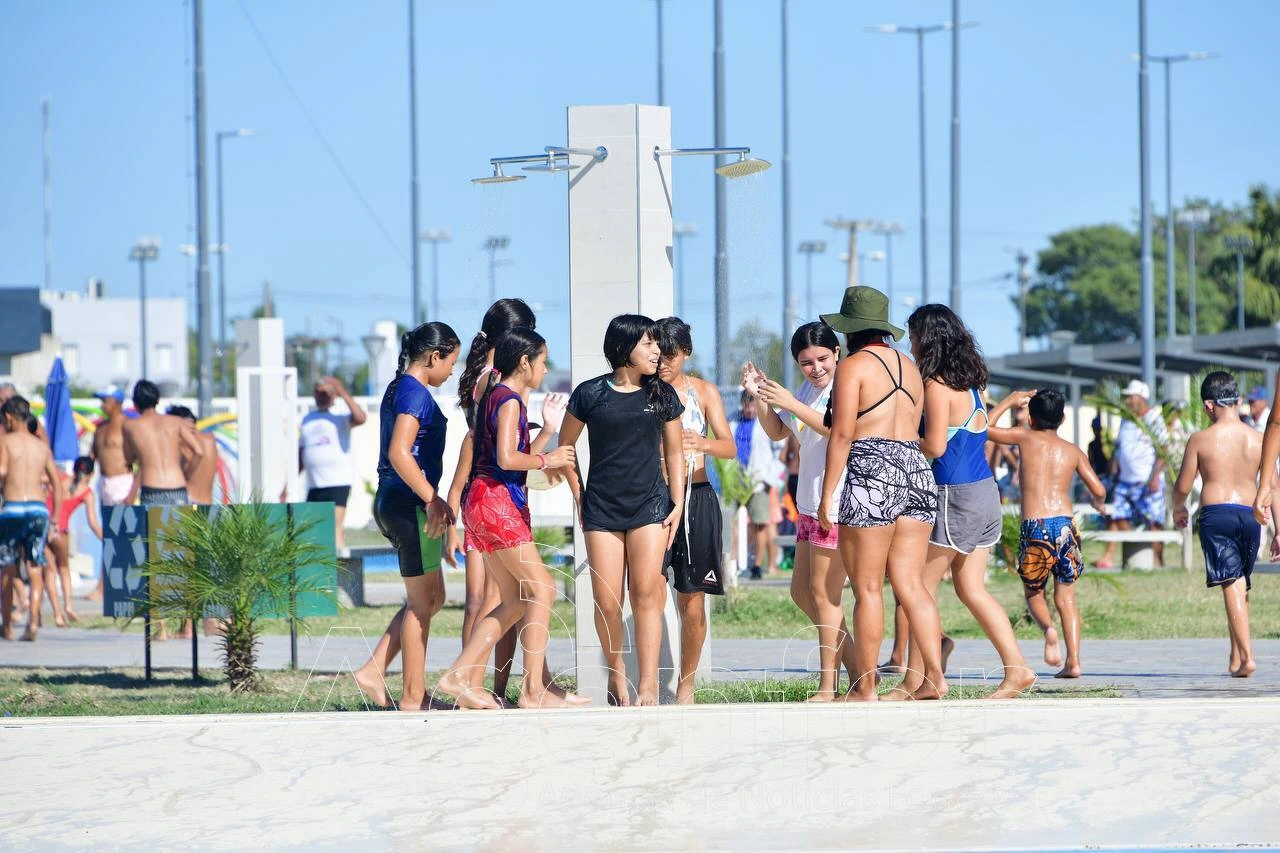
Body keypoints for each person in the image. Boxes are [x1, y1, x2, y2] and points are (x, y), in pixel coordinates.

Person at [435, 328, 585, 708]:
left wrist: (548, 431)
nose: (546, 369)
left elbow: (502, 458)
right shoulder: (510, 401)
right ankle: (533, 690)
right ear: (524, 362)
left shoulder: (494, 396)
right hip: (498, 503)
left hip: (483, 503)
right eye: (543, 360)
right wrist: (547, 459)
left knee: (517, 599)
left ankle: (461, 676)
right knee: (543, 589)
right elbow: (506, 458)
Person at [817, 286, 944, 701]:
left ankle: (865, 687)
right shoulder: (910, 366)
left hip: (872, 467)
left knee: (868, 588)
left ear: (849, 329)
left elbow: (841, 434)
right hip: (916, 470)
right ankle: (934, 678)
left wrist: (827, 495)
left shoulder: (853, 366)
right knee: (911, 583)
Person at [907, 305, 1036, 699]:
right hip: (984, 492)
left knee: (916, 589)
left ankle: (923, 679)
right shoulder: (973, 385)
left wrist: (899, 438)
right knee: (970, 588)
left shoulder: (936, 387)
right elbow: (980, 428)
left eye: (913, 337)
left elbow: (936, 445)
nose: (909, 345)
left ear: (926, 340)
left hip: (953, 494)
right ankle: (1017, 669)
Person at [561, 314, 685, 706]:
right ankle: (617, 678)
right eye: (648, 344)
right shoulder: (589, 394)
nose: (656, 352)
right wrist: (579, 495)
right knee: (607, 601)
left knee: (647, 593)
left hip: (650, 505)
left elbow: (676, 451)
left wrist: (677, 503)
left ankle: (648, 684)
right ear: (624, 348)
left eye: (657, 345)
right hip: (602, 510)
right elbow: (566, 451)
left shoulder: (662, 394)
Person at [352, 323, 461, 712]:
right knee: (421, 603)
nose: (451, 371)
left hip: (397, 501)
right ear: (435, 356)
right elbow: (400, 452)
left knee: (433, 597)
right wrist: (433, 499)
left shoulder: (400, 386)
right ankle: (413, 697)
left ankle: (374, 670)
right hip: (409, 504)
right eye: (451, 362)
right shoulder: (415, 393)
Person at [750, 322, 860, 700]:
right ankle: (861, 670)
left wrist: (791, 403)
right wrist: (763, 396)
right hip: (810, 503)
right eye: (806, 362)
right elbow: (780, 432)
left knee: (824, 594)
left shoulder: (844, 386)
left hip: (838, 499)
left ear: (837, 353)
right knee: (802, 592)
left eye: (822, 359)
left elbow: (837, 430)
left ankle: (829, 686)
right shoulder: (806, 390)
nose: (816, 368)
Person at [988, 389, 1107, 679]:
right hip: (1066, 526)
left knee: (1034, 593)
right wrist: (1097, 503)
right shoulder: (1073, 450)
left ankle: (1048, 629)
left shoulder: (1023, 437)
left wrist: (1007, 402)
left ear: (1030, 417)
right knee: (1066, 597)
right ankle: (1074, 662)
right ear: (1064, 417)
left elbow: (982, 428)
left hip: (1035, 525)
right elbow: (1099, 489)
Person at [655, 317, 737, 704]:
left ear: (685, 353)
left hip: (697, 495)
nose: (663, 363)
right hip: (654, 498)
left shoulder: (702, 391)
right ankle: (647, 683)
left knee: (692, 599)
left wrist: (701, 443)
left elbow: (729, 446)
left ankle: (686, 686)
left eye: (670, 355)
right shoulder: (644, 392)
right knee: (650, 591)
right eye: (657, 354)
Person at [1173, 373, 1275, 678]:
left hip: (1217, 514)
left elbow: (1183, 485)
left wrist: (1178, 508)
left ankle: (1248, 656)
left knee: (1230, 582)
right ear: (1239, 401)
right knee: (1240, 582)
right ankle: (1235, 657)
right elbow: (1274, 487)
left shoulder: (1200, 440)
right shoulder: (1259, 439)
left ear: (1208, 405)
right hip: (1251, 516)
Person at [0, 396, 62, 641]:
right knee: (35, 569)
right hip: (38, 510)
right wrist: (55, 518)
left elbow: (3, 471)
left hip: (13, 509)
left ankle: (7, 628)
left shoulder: (6, 442)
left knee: (8, 570)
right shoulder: (42, 447)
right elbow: (57, 485)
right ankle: (33, 624)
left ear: (9, 417)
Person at [1099, 379, 1168, 569]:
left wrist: (1154, 477)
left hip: (1146, 481)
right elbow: (1120, 448)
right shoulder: (1125, 420)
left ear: (1141, 398)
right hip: (1124, 481)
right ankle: (1110, 556)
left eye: (1131, 397)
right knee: (1116, 516)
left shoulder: (1153, 419)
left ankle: (1157, 560)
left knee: (1154, 522)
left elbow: (1164, 450)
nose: (1128, 401)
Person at [299, 377, 367, 553]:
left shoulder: (340, 418)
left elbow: (360, 418)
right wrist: (287, 484)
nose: (322, 396)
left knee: (335, 527)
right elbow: (301, 454)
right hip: (314, 484)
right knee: (311, 529)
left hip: (337, 481)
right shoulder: (307, 419)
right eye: (319, 393)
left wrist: (341, 390)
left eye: (326, 393)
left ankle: (340, 567)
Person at [122, 381, 203, 509]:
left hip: (152, 488)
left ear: (135, 403)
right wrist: (188, 474)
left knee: (155, 529)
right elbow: (198, 451)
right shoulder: (176, 422)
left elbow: (128, 458)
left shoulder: (130, 426)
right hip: (177, 486)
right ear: (158, 399)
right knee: (177, 529)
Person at [730, 389, 783, 579]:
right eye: (747, 405)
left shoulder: (765, 422)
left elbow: (779, 454)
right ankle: (733, 564)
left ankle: (757, 566)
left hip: (760, 482)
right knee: (734, 523)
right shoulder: (733, 421)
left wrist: (770, 479)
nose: (750, 409)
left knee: (760, 524)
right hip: (737, 482)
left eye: (753, 405)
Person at [43, 456, 102, 625]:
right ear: (90, 474)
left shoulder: (60, 478)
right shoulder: (86, 493)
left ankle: (57, 614)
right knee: (64, 568)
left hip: (45, 526)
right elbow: (93, 523)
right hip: (60, 531)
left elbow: (42, 478)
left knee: (49, 571)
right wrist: (107, 540)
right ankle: (68, 606)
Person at [166, 406, 218, 505]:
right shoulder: (211, 439)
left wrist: (186, 473)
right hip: (208, 503)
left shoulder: (183, 442)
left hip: (188, 501)